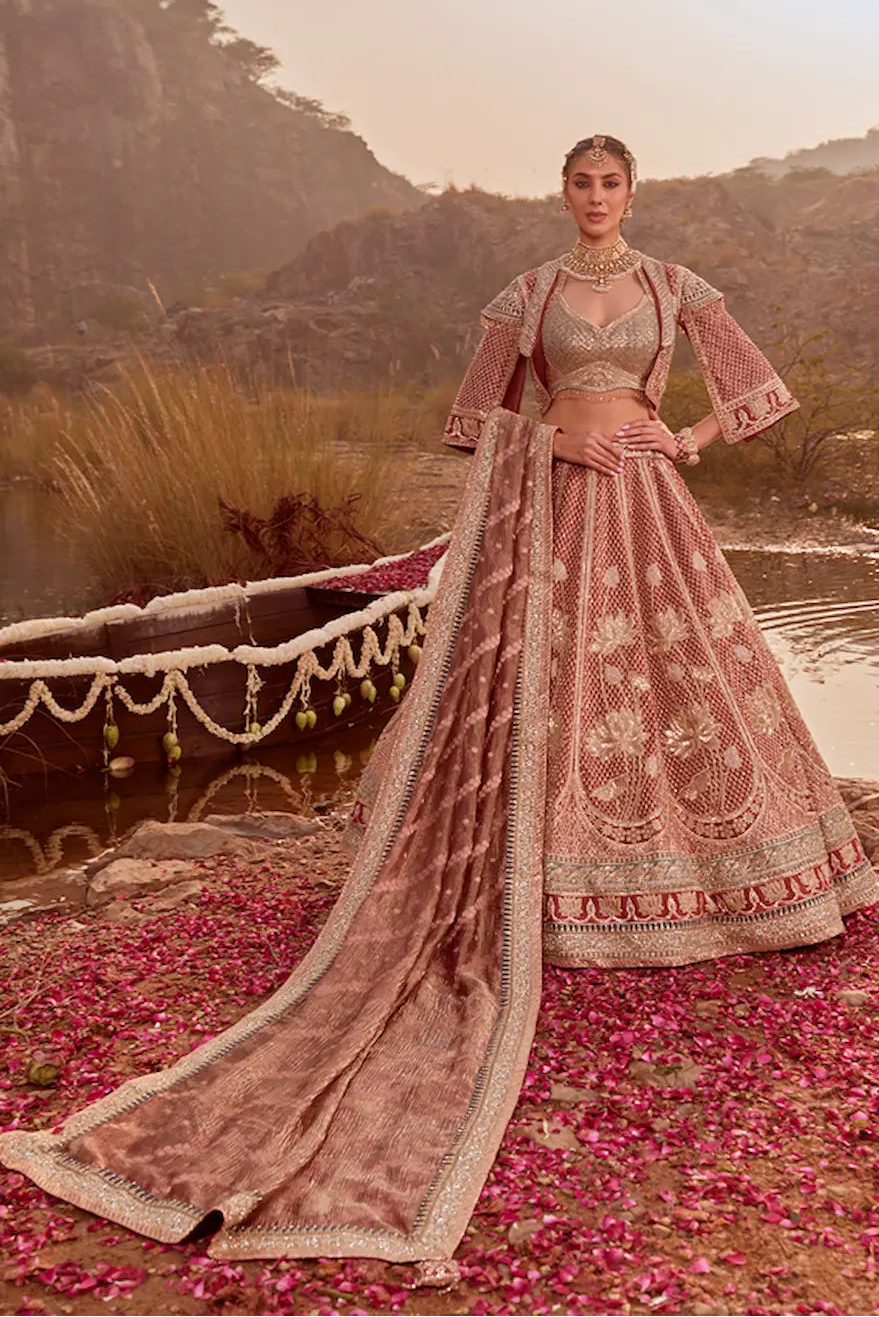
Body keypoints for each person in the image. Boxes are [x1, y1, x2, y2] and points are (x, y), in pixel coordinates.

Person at [1, 135, 875, 1274]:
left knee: (671, 685)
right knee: (542, 687)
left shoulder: (678, 289)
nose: (596, 199)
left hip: (651, 507)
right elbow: (471, 419)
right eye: (581, 182)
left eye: (611, 183)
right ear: (564, 192)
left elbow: (759, 389)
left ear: (631, 193)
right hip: (553, 507)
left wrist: (687, 438)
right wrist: (551, 432)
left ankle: (699, 876)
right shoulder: (527, 294)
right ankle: (549, 885)